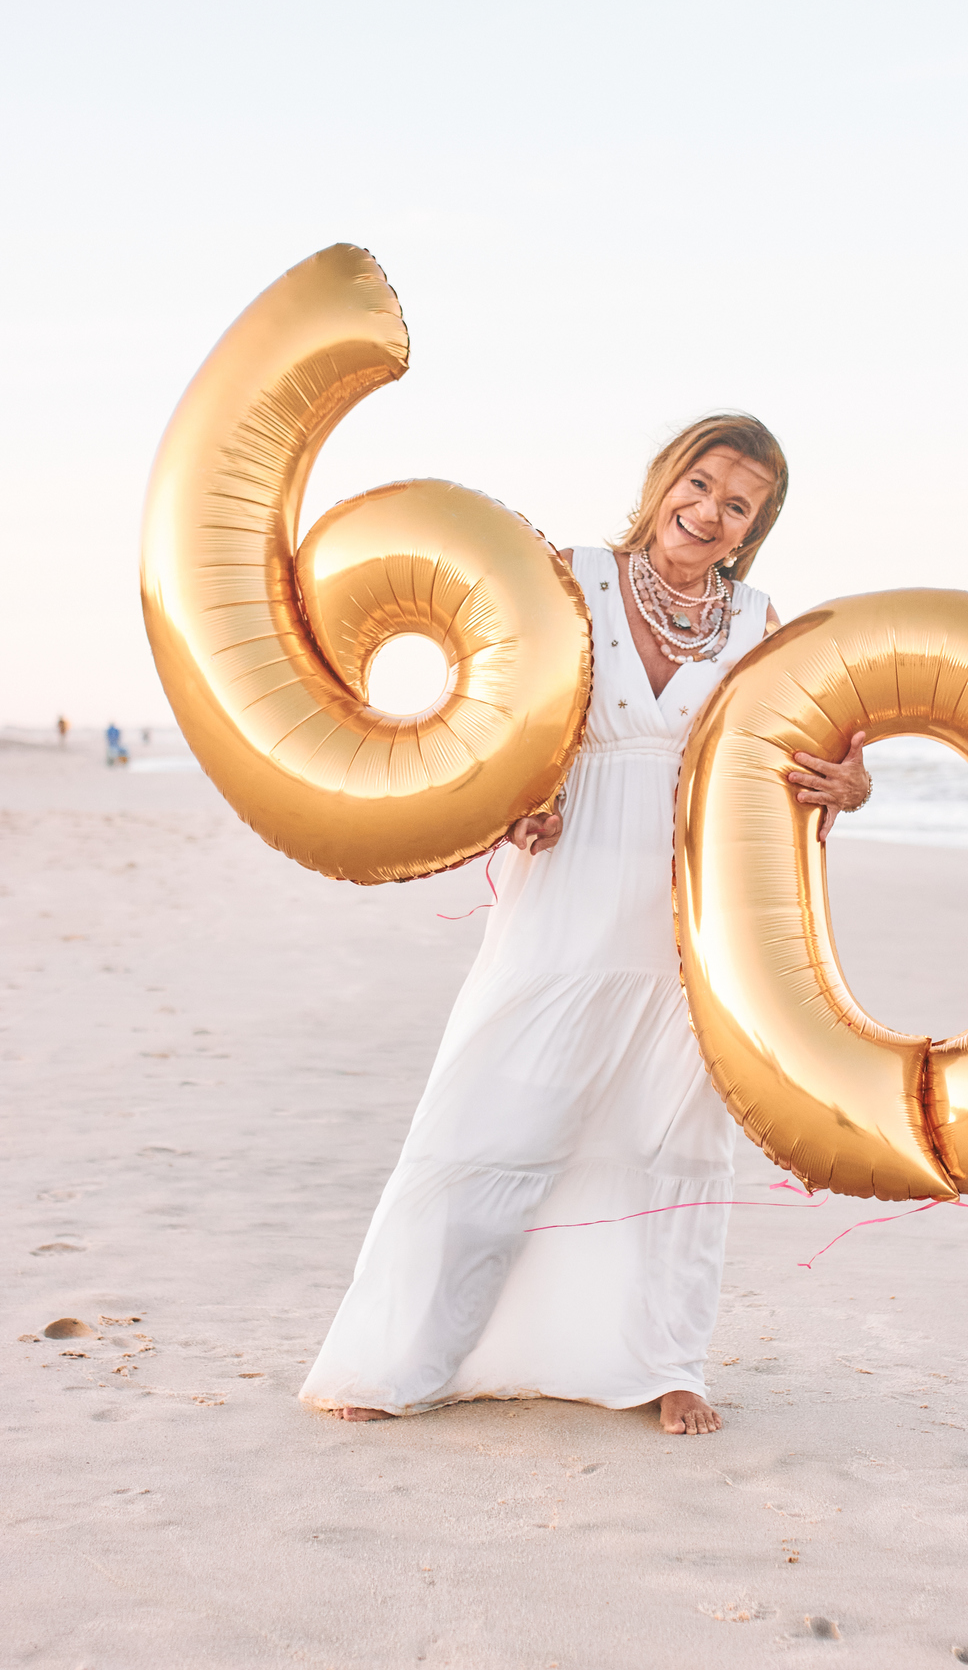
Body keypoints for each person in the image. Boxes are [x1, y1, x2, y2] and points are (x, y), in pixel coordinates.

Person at [300, 416, 870, 1436]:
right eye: (698, 485)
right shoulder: (569, 574)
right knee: (493, 1110)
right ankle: (398, 1355)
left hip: (688, 901)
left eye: (735, 505)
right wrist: (507, 800)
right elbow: (496, 715)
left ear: (752, 530)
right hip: (564, 876)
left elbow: (807, 753)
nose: (707, 512)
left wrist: (852, 782)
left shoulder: (759, 621)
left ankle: (664, 1364)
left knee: (672, 1133)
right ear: (664, 482)